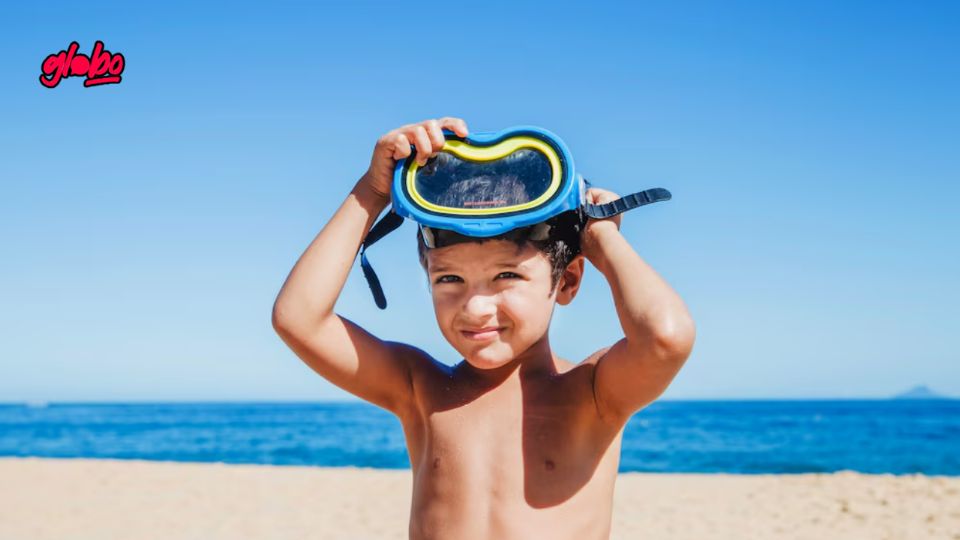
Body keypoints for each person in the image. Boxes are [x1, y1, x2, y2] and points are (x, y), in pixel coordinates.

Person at [271, 117, 696, 539]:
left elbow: (666, 336)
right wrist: (373, 190)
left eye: (506, 277)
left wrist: (602, 236)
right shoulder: (420, 388)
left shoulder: (592, 393)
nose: (475, 307)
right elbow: (299, 318)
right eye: (449, 279)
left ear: (566, 281)